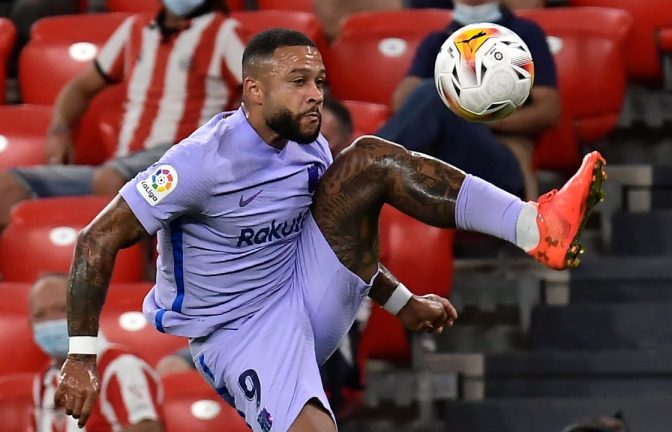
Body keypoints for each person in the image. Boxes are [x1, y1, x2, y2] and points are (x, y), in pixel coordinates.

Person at [54, 28, 605, 431]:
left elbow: (340, 237)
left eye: (318, 80)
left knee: (369, 160)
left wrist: (402, 302)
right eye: (298, 82)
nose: (316, 93)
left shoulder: (309, 144)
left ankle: (535, 225)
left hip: (304, 289)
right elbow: (96, 239)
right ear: (253, 91)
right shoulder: (198, 164)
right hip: (239, 331)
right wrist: (80, 357)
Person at [0, 0, 246, 230]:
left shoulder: (224, 31)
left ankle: (140, 271)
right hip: (122, 164)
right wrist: (59, 130)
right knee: (8, 185)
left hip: (185, 161)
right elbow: (80, 88)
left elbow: (259, 92)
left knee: (112, 180)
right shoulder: (135, 28)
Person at [380, 0, 560, 199]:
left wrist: (477, 113)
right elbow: (401, 103)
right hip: (441, 159)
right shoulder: (439, 40)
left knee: (435, 94)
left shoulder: (523, 34)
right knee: (432, 93)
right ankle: (369, 165)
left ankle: (365, 164)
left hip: (502, 160)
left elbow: (548, 111)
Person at [28, 274, 163, 432]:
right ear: (30, 324)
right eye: (40, 315)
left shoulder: (120, 366)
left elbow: (147, 428)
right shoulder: (43, 380)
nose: (51, 321)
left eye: (61, 309)